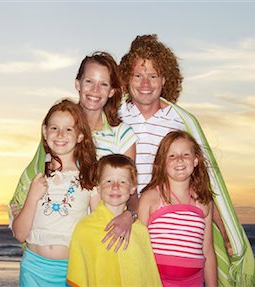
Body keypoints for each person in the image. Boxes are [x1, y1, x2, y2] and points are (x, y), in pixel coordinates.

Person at [119, 34, 255, 286]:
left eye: (153, 76)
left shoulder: (181, 121)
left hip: (175, 221)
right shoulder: (116, 116)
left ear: (164, 80)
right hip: (122, 216)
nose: (145, 83)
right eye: (137, 75)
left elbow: (208, 181)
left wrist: (225, 230)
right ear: (126, 79)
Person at [10, 52, 138, 251]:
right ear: (78, 84)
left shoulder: (122, 135)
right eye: (89, 81)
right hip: (56, 243)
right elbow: (39, 173)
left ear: (112, 91)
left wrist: (129, 216)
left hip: (99, 237)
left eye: (103, 84)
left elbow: (131, 188)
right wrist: (22, 206)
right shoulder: (60, 129)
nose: (95, 90)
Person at [12, 99, 100, 286]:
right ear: (45, 132)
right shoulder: (35, 177)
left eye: (69, 129)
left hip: (71, 270)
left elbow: (100, 225)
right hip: (33, 268)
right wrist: (33, 197)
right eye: (54, 128)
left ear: (80, 135)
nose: (60, 134)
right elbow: (20, 234)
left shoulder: (89, 178)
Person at [67, 154, 162, 287]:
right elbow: (78, 276)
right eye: (108, 181)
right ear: (98, 186)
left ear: (133, 188)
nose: (115, 186)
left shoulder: (141, 231)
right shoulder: (85, 229)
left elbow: (148, 276)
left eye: (123, 181)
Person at [138, 131, 217, 286]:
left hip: (193, 282)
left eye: (186, 154)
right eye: (172, 156)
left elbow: (207, 250)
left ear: (195, 160)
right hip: (156, 281)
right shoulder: (150, 198)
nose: (179, 159)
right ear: (162, 163)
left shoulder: (203, 202)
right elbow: (139, 247)